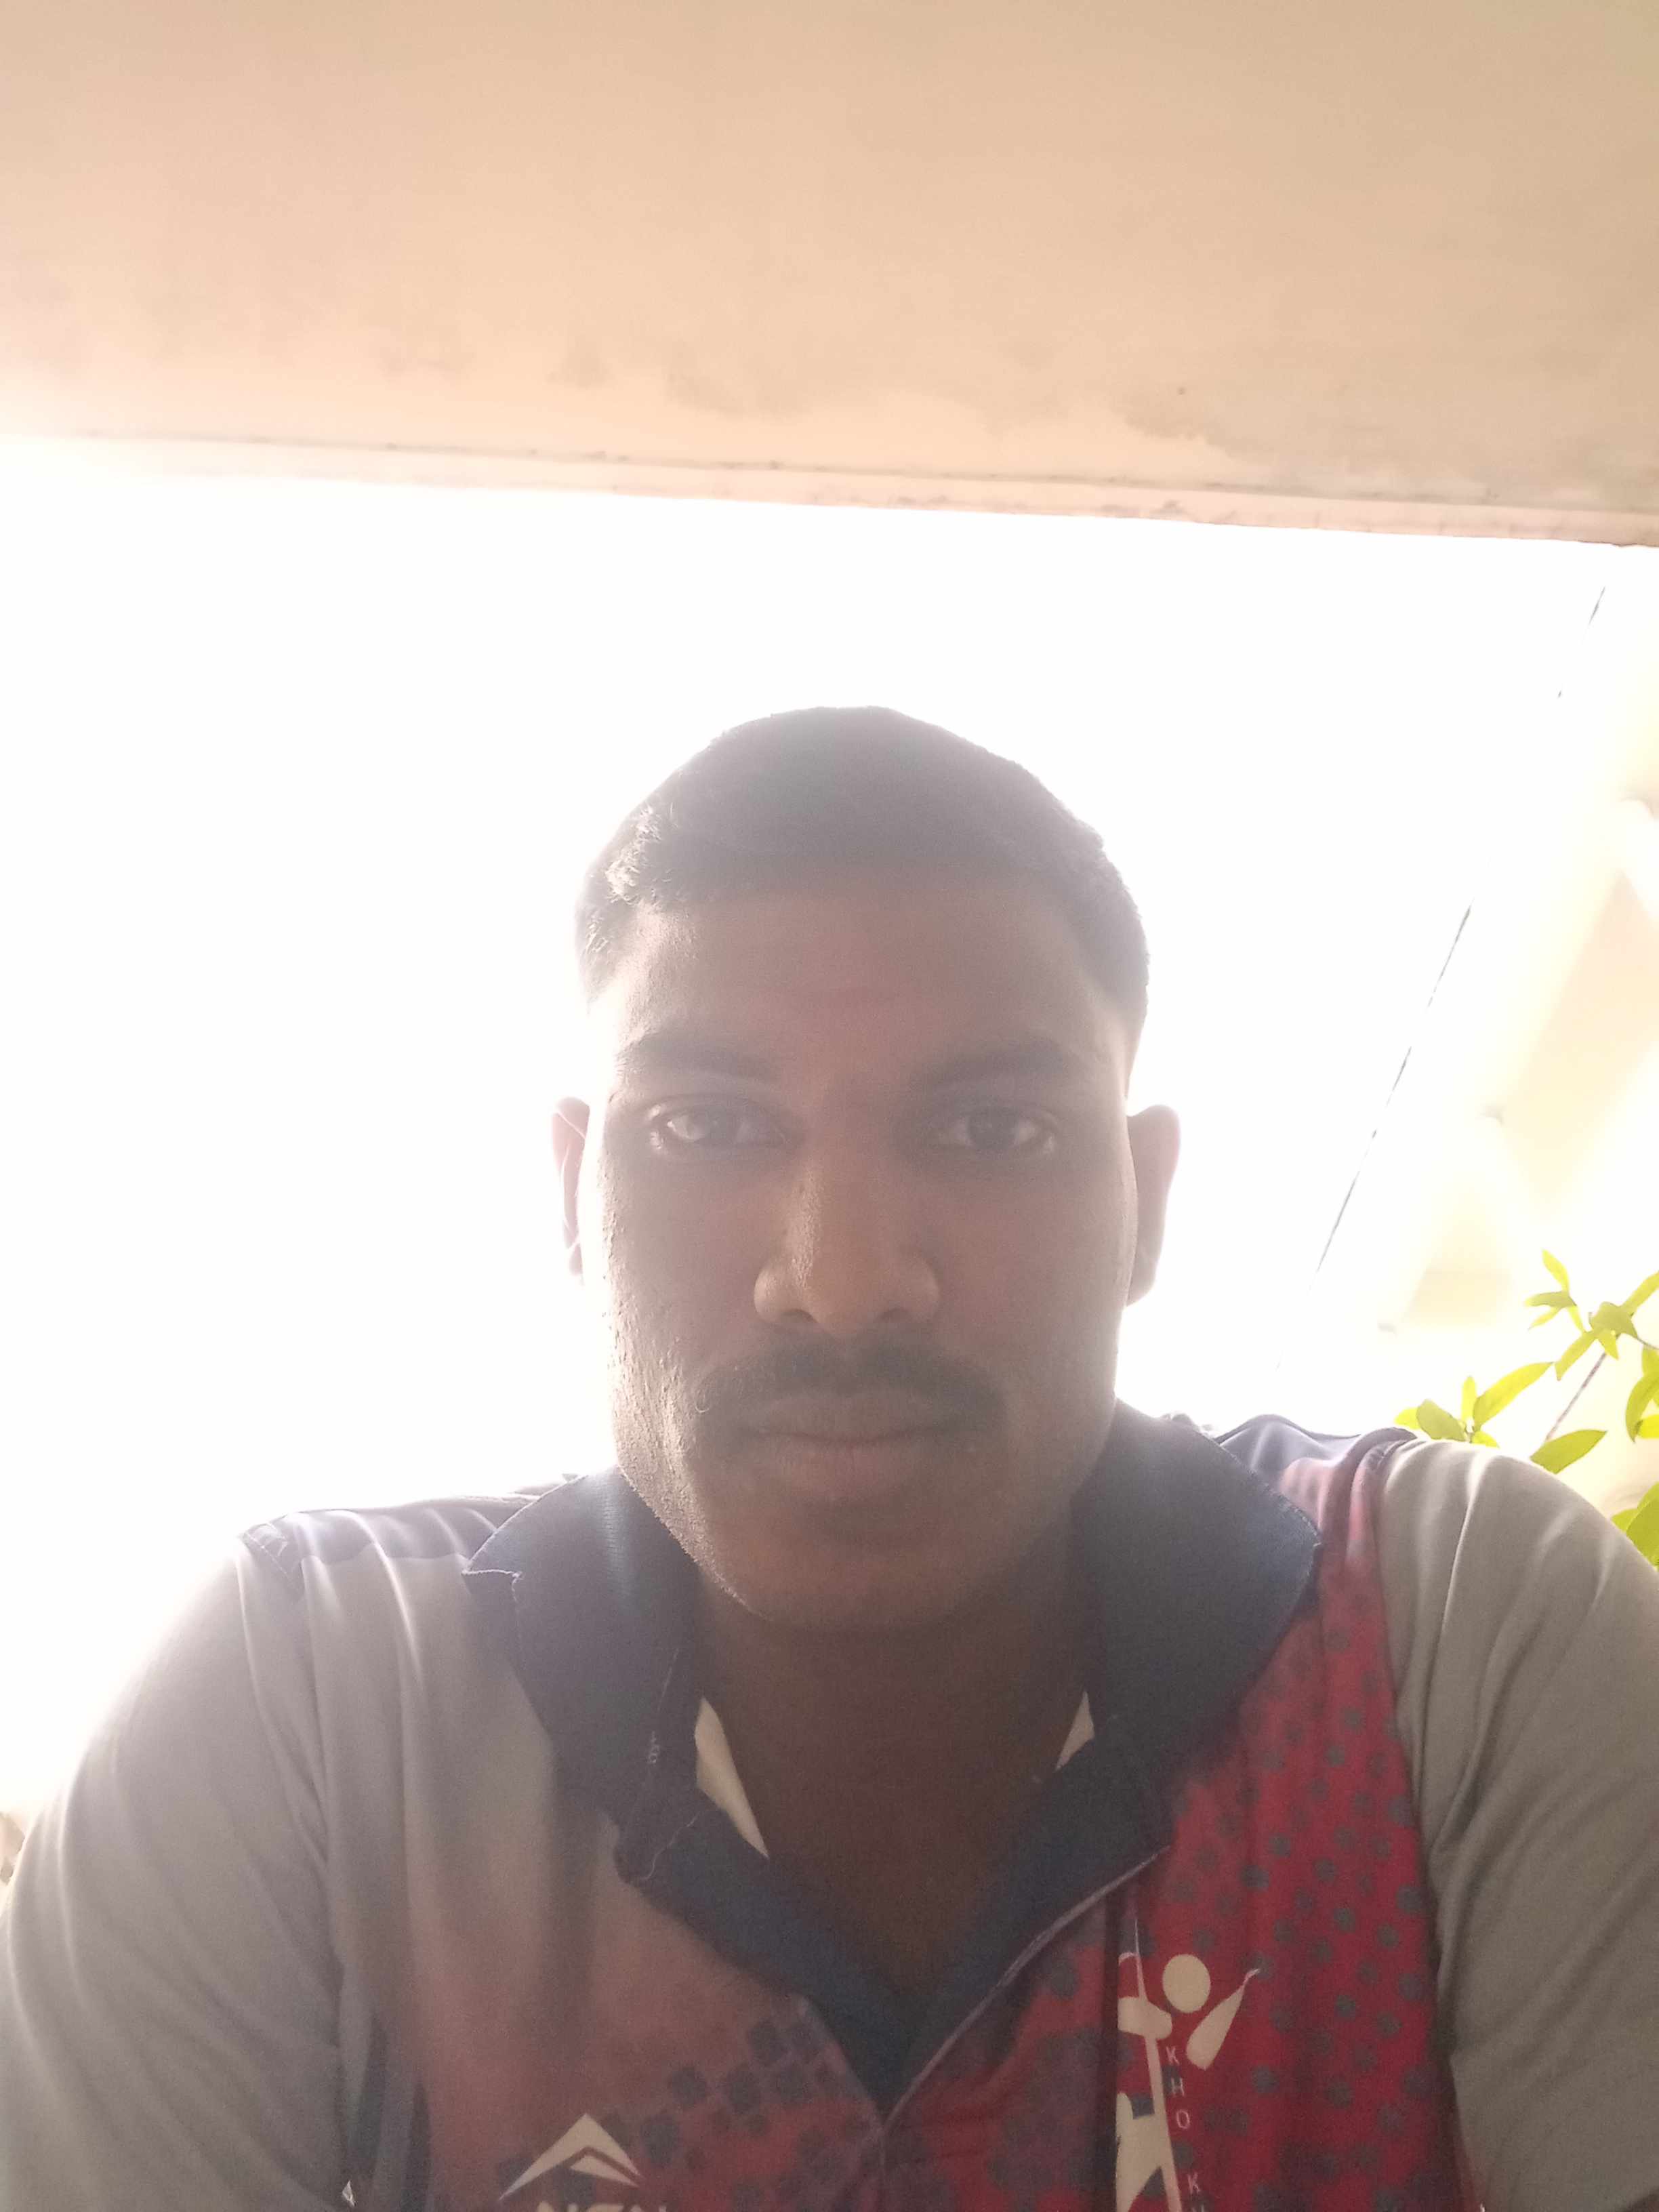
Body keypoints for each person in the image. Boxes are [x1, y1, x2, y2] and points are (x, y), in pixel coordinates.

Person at [2, 705, 1656, 2212]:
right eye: (708, 1126)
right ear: (573, 1195)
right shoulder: (306, 1718)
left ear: (1145, 1204)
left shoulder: (1445, 1636)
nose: (845, 1277)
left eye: (990, 1129)